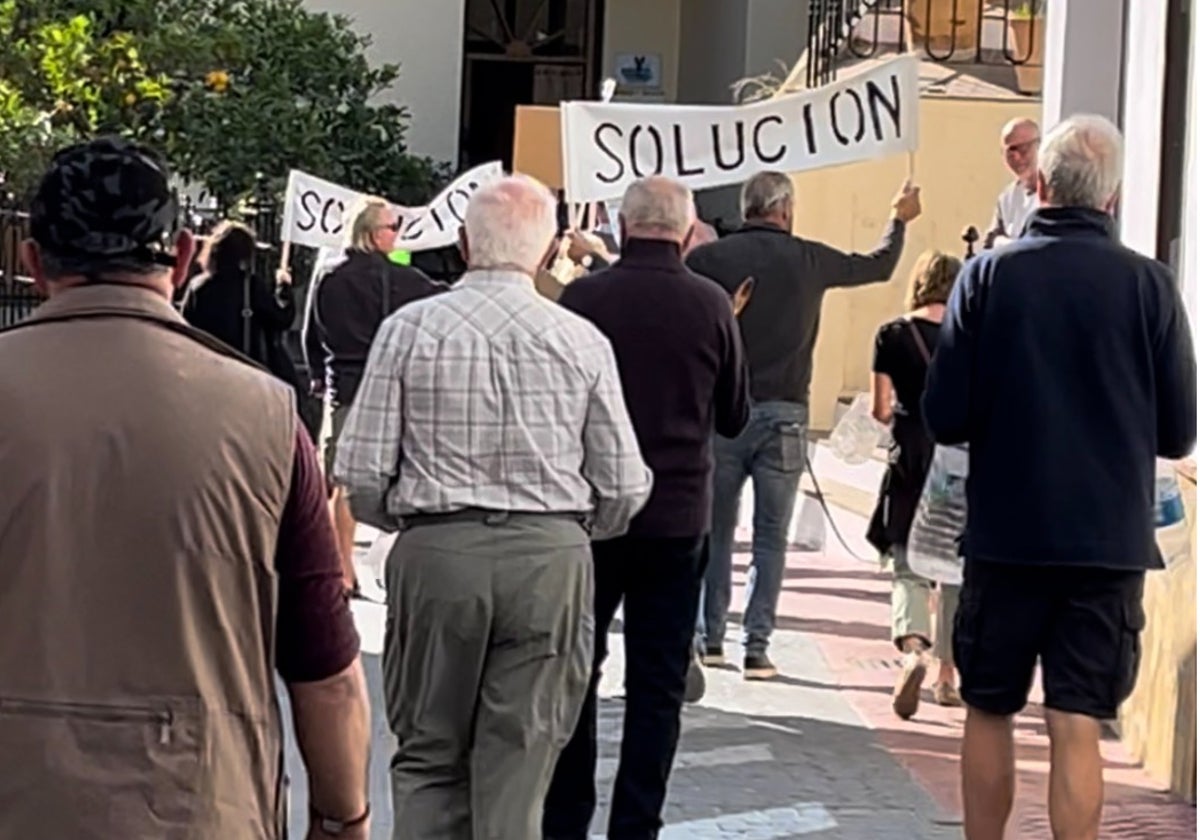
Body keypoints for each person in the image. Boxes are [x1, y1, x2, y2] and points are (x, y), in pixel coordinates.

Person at [0, 137, 371, 838]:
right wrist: (343, 818)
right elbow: (327, 674)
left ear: (33, 264)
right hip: (199, 803)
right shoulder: (264, 417)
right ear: (178, 256)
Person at [333, 174, 653, 840]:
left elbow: (358, 470)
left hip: (439, 551)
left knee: (426, 754)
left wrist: (408, 517)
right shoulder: (580, 340)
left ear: (461, 242)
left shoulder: (409, 330)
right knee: (523, 757)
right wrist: (575, 528)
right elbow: (624, 483)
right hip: (549, 557)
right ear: (546, 250)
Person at [923, 115, 1197, 840]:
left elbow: (944, 414)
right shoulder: (1152, 285)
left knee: (989, 705)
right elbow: (1178, 430)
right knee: (1077, 716)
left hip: (1007, 533)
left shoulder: (988, 276)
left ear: (1039, 186)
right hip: (1106, 542)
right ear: (1111, 199)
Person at [542, 176, 750, 840]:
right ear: (688, 233)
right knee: (656, 686)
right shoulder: (711, 304)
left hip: (592, 517)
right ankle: (637, 826)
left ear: (623, 227)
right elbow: (735, 414)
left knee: (578, 669)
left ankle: (566, 818)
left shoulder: (584, 298)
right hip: (678, 518)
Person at [687, 170, 922, 679]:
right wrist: (897, 220)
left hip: (724, 412)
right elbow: (877, 267)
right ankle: (756, 647)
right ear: (787, 209)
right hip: (787, 415)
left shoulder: (707, 261)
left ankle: (710, 640)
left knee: (718, 531)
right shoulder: (809, 258)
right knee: (771, 537)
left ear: (747, 207)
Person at [302, 198, 447, 595]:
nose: (398, 233)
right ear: (372, 233)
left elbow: (310, 335)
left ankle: (342, 567)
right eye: (393, 227)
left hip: (343, 388)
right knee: (397, 474)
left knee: (341, 481)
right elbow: (445, 301)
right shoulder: (401, 280)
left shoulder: (328, 276)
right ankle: (385, 562)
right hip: (388, 387)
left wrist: (318, 374)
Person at [866, 250, 963, 720]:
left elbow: (881, 409)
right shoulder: (974, 337)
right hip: (959, 462)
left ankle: (912, 652)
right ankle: (948, 676)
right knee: (953, 574)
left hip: (910, 457)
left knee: (908, 567)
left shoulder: (892, 334)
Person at [181, 221, 302, 393]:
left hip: (205, 371)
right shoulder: (251, 286)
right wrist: (284, 288)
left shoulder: (198, 287)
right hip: (244, 371)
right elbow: (282, 319)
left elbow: (186, 327)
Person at [983, 118, 1040, 249]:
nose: (1017, 158)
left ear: (1040, 146)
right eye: (1010, 152)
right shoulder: (1007, 197)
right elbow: (990, 240)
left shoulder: (1057, 194)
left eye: (1024, 150)